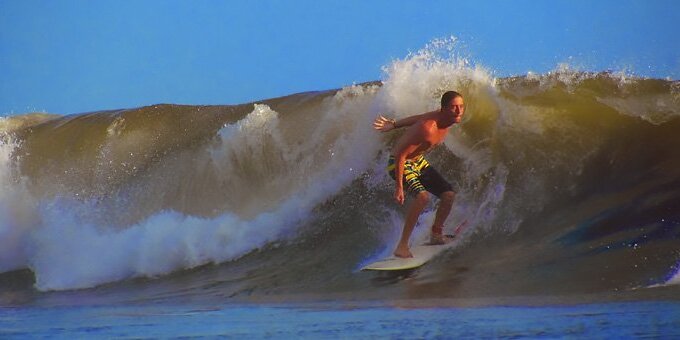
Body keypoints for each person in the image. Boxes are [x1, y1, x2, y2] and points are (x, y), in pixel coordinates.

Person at [373, 91, 465, 258]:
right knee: (422, 197)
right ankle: (401, 246)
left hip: (417, 161)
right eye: (453, 107)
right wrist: (399, 187)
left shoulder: (443, 118)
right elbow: (401, 155)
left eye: (461, 107)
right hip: (398, 163)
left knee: (448, 194)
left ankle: (436, 235)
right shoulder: (428, 129)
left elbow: (419, 117)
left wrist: (394, 124)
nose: (458, 111)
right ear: (443, 109)